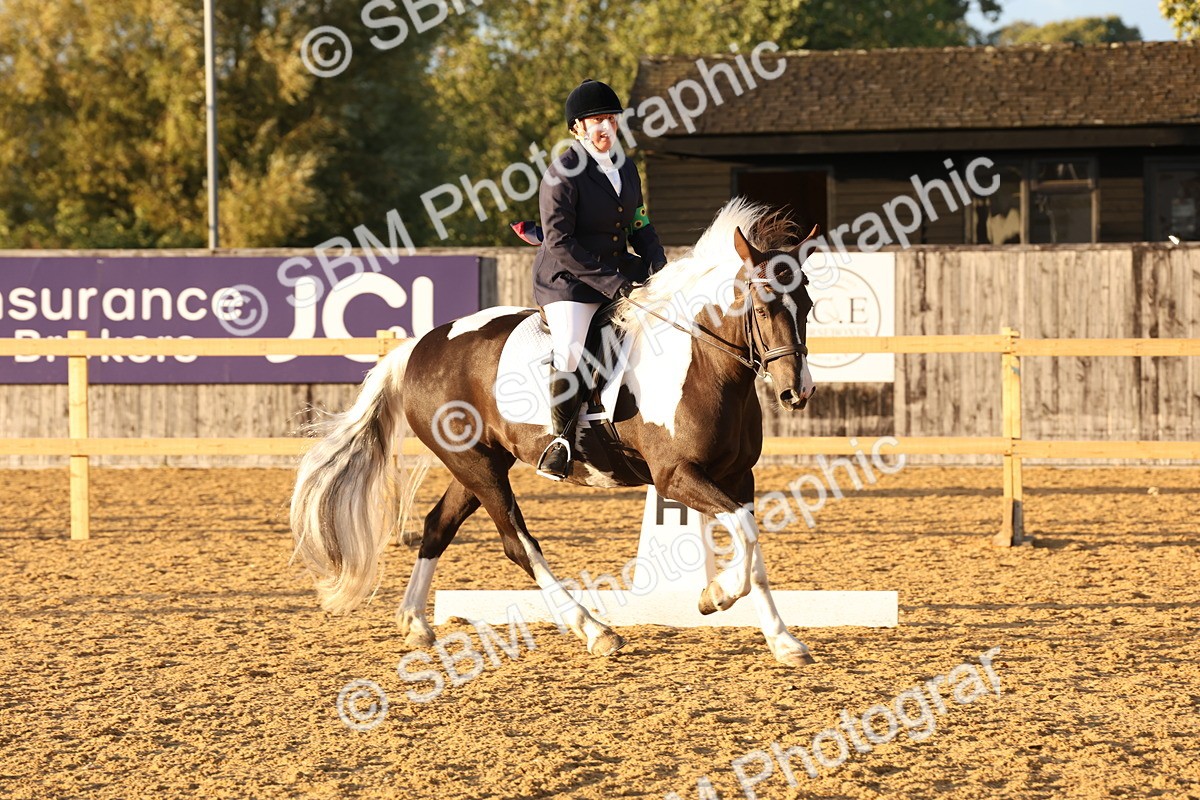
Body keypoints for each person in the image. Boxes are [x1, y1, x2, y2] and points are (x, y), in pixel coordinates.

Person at [531, 78, 667, 480]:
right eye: (596, 121)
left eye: (611, 118)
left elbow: (639, 223)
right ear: (577, 128)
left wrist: (659, 265)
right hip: (568, 280)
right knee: (571, 351)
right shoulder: (562, 174)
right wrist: (612, 284)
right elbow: (559, 242)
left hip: (617, 269)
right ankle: (562, 441)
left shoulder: (626, 168)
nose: (605, 127)